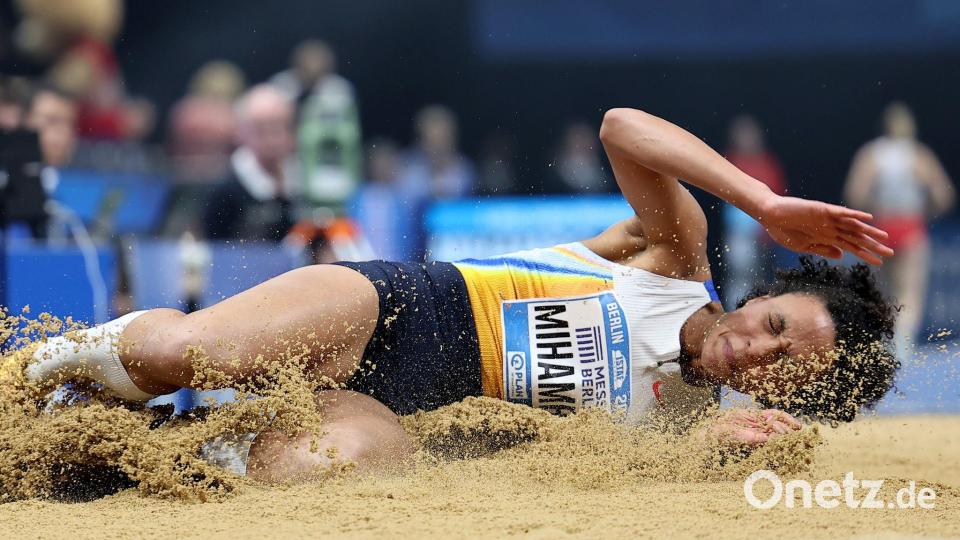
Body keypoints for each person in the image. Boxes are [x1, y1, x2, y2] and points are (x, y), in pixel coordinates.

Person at [3, 108, 898, 483]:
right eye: (776, 324)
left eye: (790, 366)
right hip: (387, 306)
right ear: (761, 297)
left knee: (309, 473)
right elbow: (622, 127)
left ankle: (147, 451)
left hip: (402, 408)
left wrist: (729, 457)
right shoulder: (675, 259)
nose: (762, 350)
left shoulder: (684, 436)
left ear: (794, 395)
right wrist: (765, 201)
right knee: (186, 355)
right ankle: (40, 365)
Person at [844, 102, 954, 357]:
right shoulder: (919, 155)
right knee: (910, 294)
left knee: (881, 293)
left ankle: (883, 345)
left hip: (881, 227)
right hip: (910, 226)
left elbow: (854, 194)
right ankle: (902, 348)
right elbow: (943, 195)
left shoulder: (871, 154)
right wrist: (926, 211)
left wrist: (874, 210)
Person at [203, 84, 301, 241]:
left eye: (280, 128)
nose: (273, 139)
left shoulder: (306, 180)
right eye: (261, 130)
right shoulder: (225, 189)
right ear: (241, 133)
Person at [721, 115, 789, 308]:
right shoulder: (728, 161)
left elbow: (779, 196)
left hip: (765, 230)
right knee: (739, 275)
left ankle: (757, 311)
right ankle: (734, 310)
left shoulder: (768, 163)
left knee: (763, 277)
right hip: (739, 233)